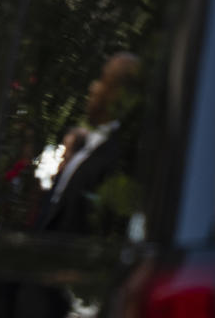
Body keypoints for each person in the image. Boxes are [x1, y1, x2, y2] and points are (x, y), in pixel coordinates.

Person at [41, 52, 141, 233]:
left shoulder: (115, 158)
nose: (92, 87)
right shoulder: (88, 147)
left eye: (102, 79)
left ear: (117, 93)